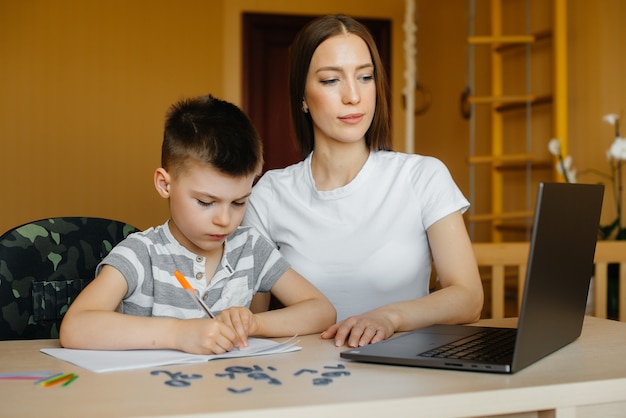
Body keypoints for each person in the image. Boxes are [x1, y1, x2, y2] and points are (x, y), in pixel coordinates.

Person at [244, 14, 483, 349]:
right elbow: (252, 321)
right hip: (308, 381)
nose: (353, 96)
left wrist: (388, 317)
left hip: (406, 375)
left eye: (365, 77)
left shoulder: (422, 176)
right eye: (331, 81)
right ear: (302, 96)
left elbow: (468, 297)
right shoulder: (270, 194)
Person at [60, 94, 336, 354]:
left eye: (239, 203)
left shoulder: (249, 248)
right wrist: (179, 334)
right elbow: (76, 327)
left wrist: (255, 324)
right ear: (165, 184)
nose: (225, 220)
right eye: (206, 202)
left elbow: (322, 311)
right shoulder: (141, 254)